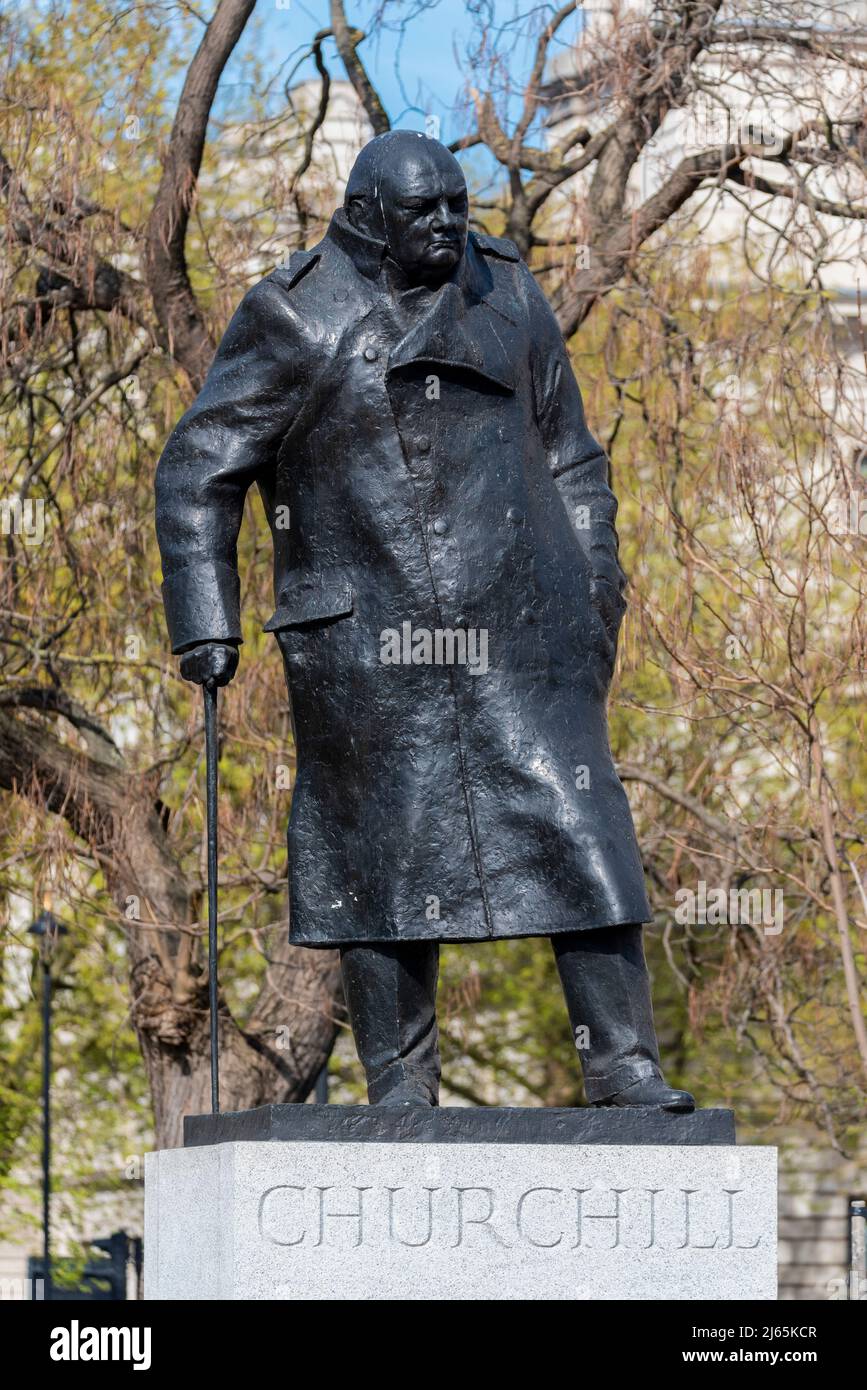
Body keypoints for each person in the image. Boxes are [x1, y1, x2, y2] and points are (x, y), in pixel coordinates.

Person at [155, 131, 694, 1113]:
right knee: (383, 862)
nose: (452, 224)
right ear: (368, 216)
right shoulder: (293, 312)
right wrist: (205, 614)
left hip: (526, 632)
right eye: (426, 211)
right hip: (370, 644)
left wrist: (595, 588)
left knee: (584, 833)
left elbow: (572, 453)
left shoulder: (510, 292)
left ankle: (621, 1063)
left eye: (458, 202)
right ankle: (399, 1088)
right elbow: (199, 469)